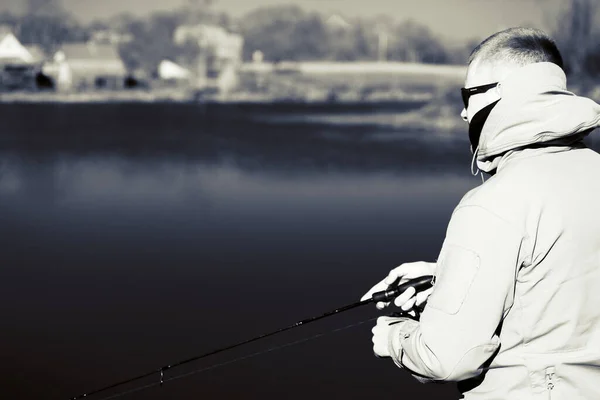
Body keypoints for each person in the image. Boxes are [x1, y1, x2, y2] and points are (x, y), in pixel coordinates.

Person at [362, 27, 600, 399]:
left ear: (499, 94)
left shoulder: (492, 204)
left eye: (467, 96)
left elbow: (448, 358)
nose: (462, 112)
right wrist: (445, 276)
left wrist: (393, 336)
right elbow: (571, 276)